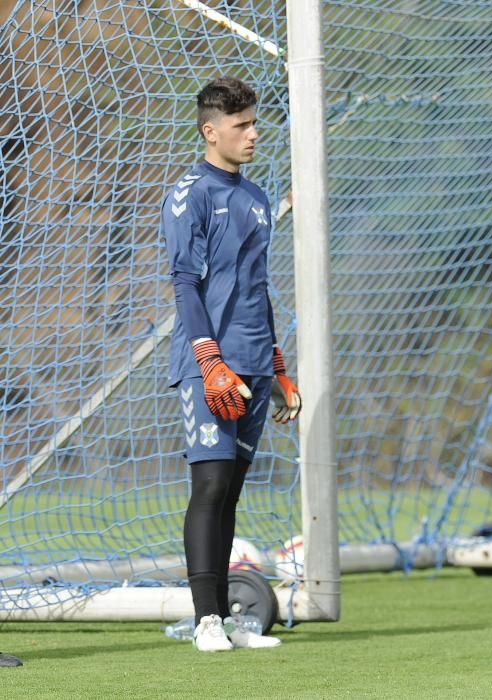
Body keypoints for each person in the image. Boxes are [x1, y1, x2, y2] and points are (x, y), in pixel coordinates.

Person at [161, 76, 301, 652]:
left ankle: (226, 618)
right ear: (210, 130)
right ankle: (205, 621)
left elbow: (258, 288)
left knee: (232, 493)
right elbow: (183, 281)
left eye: (253, 122)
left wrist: (278, 363)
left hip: (254, 364)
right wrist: (209, 359)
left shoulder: (260, 198)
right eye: (241, 125)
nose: (252, 133)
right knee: (211, 485)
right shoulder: (189, 193)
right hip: (210, 363)